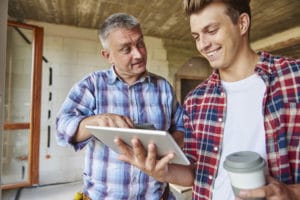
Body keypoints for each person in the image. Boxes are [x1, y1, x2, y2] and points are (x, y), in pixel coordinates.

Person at [114, 1, 300, 200]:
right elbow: (196, 172)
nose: (203, 45)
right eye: (196, 36)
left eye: (211, 30)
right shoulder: (196, 99)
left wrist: (291, 193)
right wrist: (163, 172)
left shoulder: (293, 78)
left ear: (242, 24)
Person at [55, 13, 184, 200]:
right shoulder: (92, 85)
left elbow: (180, 126)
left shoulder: (163, 87)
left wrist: (169, 149)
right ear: (108, 56)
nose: (139, 54)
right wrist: (94, 121)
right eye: (126, 49)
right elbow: (61, 128)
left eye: (140, 43)